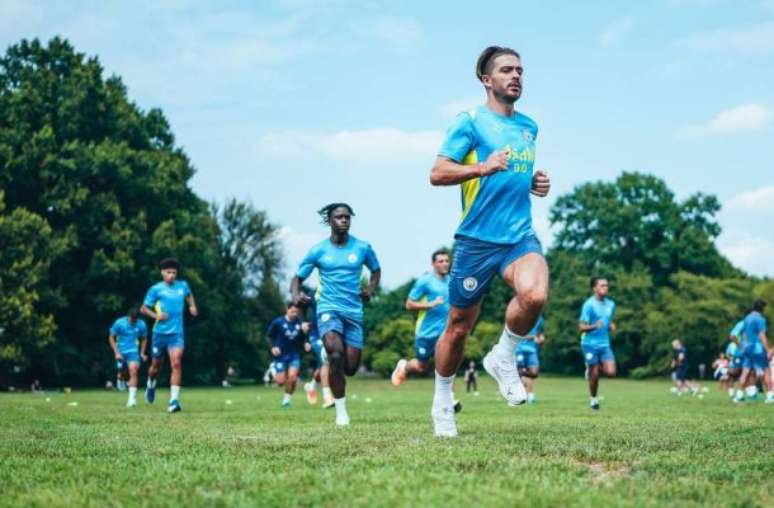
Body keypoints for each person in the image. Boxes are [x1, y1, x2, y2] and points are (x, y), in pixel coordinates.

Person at [428, 45, 551, 438]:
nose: (516, 76)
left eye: (520, 70)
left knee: (535, 296)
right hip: (476, 239)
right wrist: (482, 166)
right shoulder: (469, 122)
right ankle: (442, 399)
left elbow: (512, 173)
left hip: (518, 236)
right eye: (506, 70)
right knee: (458, 327)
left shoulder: (529, 126)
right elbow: (437, 172)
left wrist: (533, 182)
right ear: (487, 79)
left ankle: (503, 355)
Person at [290, 203, 381, 427]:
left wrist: (369, 290)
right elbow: (297, 279)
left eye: (347, 217)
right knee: (336, 354)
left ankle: (328, 358)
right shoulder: (318, 250)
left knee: (349, 368)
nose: (344, 220)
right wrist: (295, 294)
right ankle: (341, 412)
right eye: (339, 217)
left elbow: (376, 270)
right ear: (330, 221)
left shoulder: (362, 247)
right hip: (328, 308)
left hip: (353, 312)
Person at [140, 257, 198, 413]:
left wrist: (192, 306)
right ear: (162, 273)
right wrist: (156, 316)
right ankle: (151, 384)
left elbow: (189, 295)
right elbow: (143, 309)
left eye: (174, 272)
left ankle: (174, 401)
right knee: (155, 367)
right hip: (159, 334)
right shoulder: (156, 289)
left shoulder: (182, 286)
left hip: (177, 333)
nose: (172, 275)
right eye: (168, 272)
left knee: (176, 363)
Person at [392, 249, 452, 385]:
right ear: (433, 264)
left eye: (447, 261)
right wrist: (431, 304)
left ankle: (448, 397)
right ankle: (405, 366)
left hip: (445, 331)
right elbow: (409, 304)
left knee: (446, 363)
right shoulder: (425, 282)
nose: (445, 264)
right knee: (421, 366)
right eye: (441, 261)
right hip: (426, 331)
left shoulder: (452, 281)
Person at [579, 277, 616, 411]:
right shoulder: (588, 305)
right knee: (594, 373)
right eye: (602, 285)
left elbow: (608, 319)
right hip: (589, 343)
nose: (605, 287)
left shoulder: (611, 304)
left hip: (604, 344)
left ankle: (591, 367)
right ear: (594, 288)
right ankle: (594, 400)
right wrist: (595, 326)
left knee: (611, 373)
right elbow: (581, 327)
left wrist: (611, 325)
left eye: (606, 285)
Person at [267, 302, 310, 408]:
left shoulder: (299, 323)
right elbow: (269, 336)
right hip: (280, 356)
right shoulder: (278, 322)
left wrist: (306, 343)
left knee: (292, 378)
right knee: (280, 382)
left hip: (294, 355)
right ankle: (273, 368)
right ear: (287, 310)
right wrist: (273, 347)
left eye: (296, 312)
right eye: (292, 311)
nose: (294, 314)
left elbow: (304, 336)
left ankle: (286, 401)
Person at [300, 288, 334, 409]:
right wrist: (303, 321)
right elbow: (301, 303)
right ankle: (327, 397)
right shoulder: (313, 294)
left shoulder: (337, 289)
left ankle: (312, 385)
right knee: (326, 361)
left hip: (331, 334)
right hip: (315, 335)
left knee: (325, 365)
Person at [108, 306, 148, 407]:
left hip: (133, 352)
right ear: (128, 316)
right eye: (132, 319)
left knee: (133, 371)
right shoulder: (119, 323)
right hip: (121, 351)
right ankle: (120, 379)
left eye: (135, 320)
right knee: (122, 372)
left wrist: (142, 353)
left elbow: (144, 338)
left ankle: (131, 400)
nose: (133, 321)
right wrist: (116, 352)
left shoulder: (141, 324)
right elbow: (111, 337)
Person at [735, 300, 771, 403]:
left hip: (747, 348)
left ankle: (739, 395)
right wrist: (768, 350)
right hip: (757, 348)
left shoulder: (747, 318)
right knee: (766, 370)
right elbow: (762, 336)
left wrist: (742, 347)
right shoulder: (760, 319)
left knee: (745, 372)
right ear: (762, 308)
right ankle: (770, 396)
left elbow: (744, 335)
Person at [515, 314, 545, 404]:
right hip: (519, 349)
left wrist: (541, 339)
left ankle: (518, 376)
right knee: (521, 371)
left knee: (534, 373)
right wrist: (533, 337)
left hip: (532, 350)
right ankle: (530, 397)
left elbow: (539, 333)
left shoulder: (540, 318)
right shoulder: (520, 316)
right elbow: (515, 334)